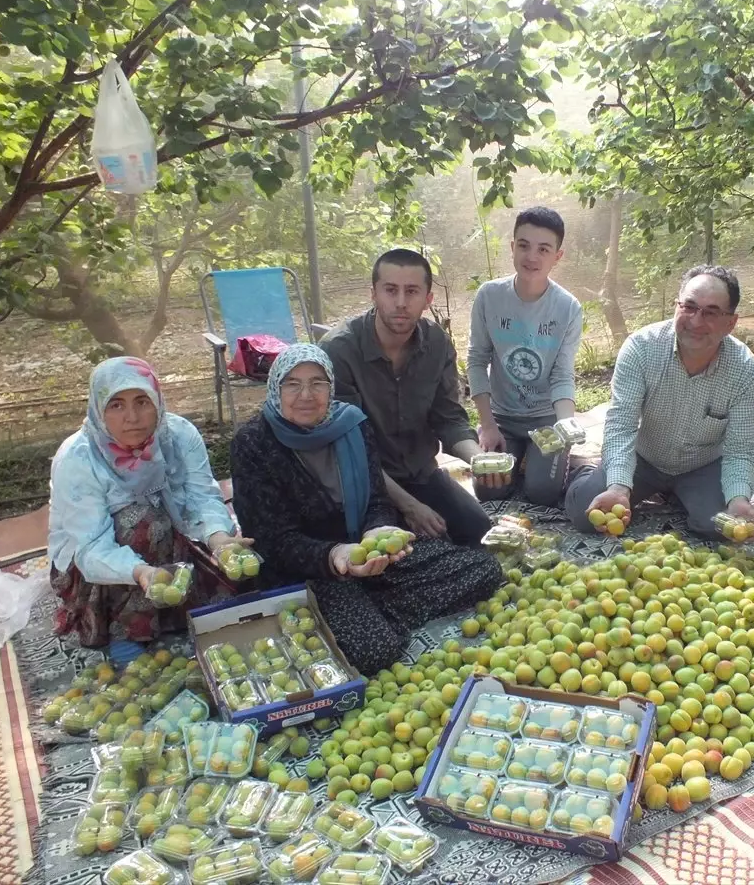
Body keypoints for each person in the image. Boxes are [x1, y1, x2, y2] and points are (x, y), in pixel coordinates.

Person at [229, 344, 501, 675]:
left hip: (368, 553)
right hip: (308, 570)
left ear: (330, 387)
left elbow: (376, 499)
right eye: (292, 383)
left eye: (317, 383)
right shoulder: (254, 443)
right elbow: (273, 541)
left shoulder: (351, 425)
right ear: (275, 388)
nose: (306, 394)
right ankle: (363, 614)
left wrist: (377, 529)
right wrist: (335, 555)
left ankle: (370, 609)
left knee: (482, 568)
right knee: (375, 651)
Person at [48, 357, 249, 662]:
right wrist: (140, 572)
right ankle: (125, 630)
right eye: (116, 405)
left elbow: (202, 497)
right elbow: (90, 549)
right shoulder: (77, 460)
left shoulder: (178, 436)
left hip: (171, 537)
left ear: (157, 401)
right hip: (95, 565)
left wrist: (218, 538)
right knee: (145, 522)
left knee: (239, 579)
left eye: (142, 401)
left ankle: (171, 608)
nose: (133, 417)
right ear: (99, 410)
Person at [565, 265, 754, 537]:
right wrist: (618, 486)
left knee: (721, 528)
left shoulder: (745, 369)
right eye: (689, 307)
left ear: (731, 322)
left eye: (711, 312)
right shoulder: (641, 348)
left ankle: (688, 492)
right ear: (676, 306)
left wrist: (738, 498)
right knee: (585, 516)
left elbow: (740, 448)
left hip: (702, 465)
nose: (696, 321)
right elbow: (621, 425)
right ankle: (588, 472)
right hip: (644, 458)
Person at [321, 248, 492, 546]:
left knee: (479, 530)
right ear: (373, 293)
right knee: (399, 554)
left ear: (428, 299)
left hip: (421, 473)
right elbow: (349, 452)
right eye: (390, 290)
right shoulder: (339, 351)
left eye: (412, 291)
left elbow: (449, 418)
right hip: (364, 484)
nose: (400, 303)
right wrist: (410, 507)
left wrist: (480, 460)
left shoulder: (437, 343)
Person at [467, 206, 583, 506]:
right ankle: (518, 453)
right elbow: (477, 359)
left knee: (542, 493)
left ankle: (564, 462)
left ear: (557, 256)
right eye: (524, 245)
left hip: (545, 418)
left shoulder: (568, 307)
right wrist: (489, 425)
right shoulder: (489, 296)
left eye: (543, 249)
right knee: (489, 491)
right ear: (512, 247)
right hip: (502, 417)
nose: (532, 257)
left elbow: (561, 373)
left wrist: (565, 426)